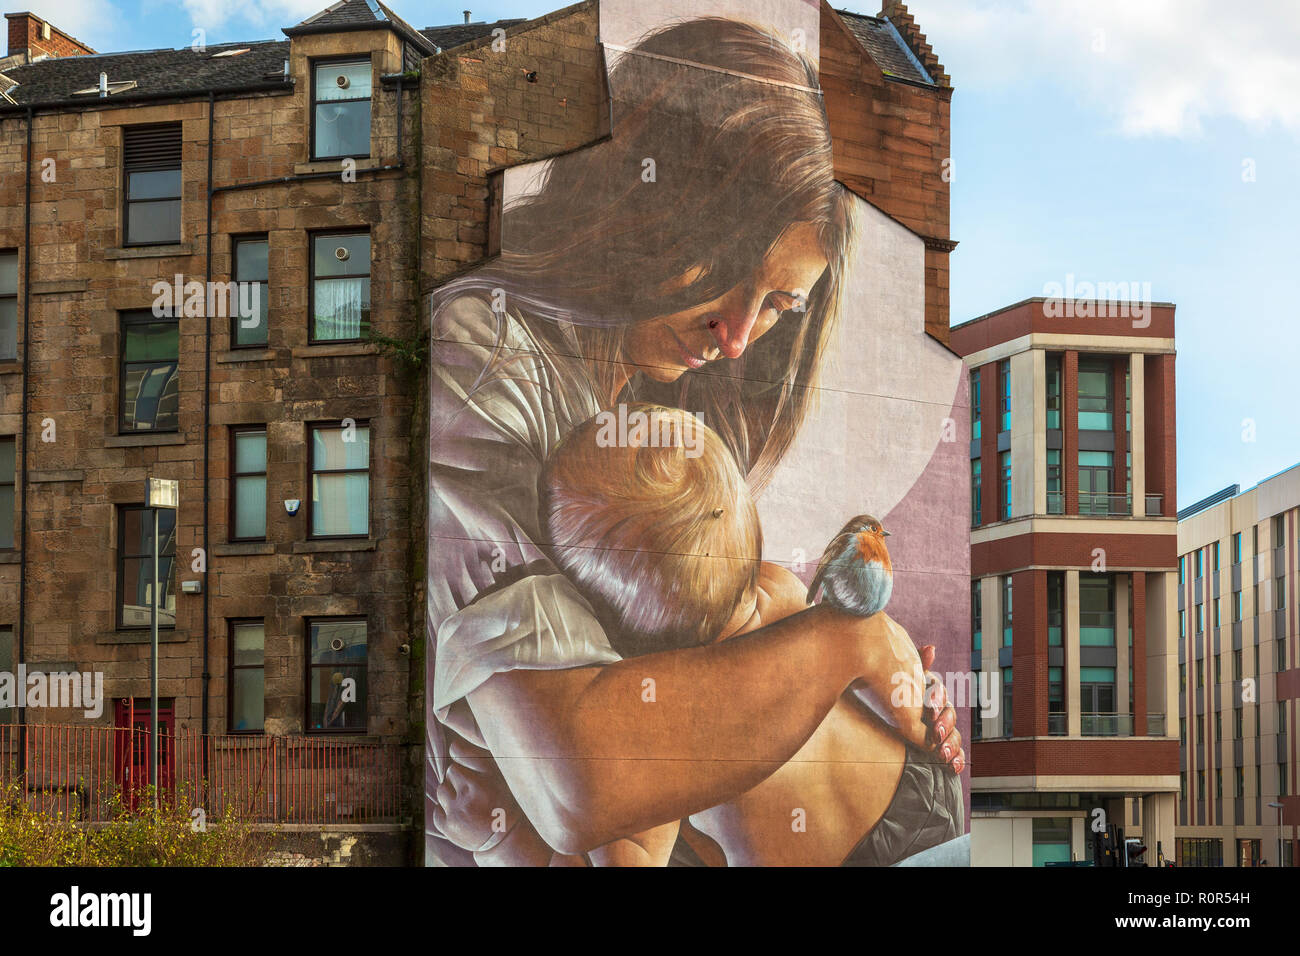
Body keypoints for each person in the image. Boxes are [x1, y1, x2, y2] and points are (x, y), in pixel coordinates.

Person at [426, 16, 963, 862]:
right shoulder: (491, 355)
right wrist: (847, 642)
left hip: (894, 826)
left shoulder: (676, 421)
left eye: (779, 306)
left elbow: (589, 787)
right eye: (723, 272)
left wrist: (844, 646)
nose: (741, 335)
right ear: (647, 204)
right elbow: (582, 783)